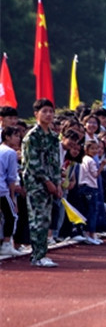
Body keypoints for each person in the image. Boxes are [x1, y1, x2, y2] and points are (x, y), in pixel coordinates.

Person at [21, 99, 62, 267]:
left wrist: (57, 183)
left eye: (51, 111)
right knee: (38, 218)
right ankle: (37, 255)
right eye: (44, 111)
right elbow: (33, 163)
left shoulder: (53, 136)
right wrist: (47, 181)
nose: (48, 115)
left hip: (51, 183)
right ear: (36, 114)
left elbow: (55, 162)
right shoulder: (32, 137)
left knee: (46, 218)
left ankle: (42, 253)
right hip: (36, 183)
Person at [0, 125, 29, 257]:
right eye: (16, 136)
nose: (19, 139)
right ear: (7, 137)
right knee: (12, 215)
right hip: (2, 190)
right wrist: (12, 197)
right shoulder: (10, 153)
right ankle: (6, 243)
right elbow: (11, 177)